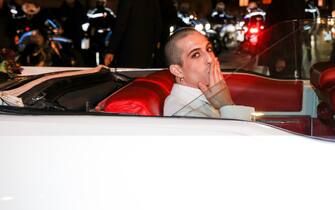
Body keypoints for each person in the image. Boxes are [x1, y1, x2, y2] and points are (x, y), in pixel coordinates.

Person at [163, 28, 254, 120]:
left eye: (209, 49)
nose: (210, 59)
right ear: (177, 71)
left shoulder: (205, 94)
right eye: (196, 55)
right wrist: (226, 103)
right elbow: (239, 133)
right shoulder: (183, 114)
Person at [104, 0, 161, 68]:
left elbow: (121, 24)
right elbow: (158, 23)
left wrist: (111, 50)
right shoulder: (153, 1)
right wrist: (154, 45)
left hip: (128, 50)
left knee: (127, 76)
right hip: (146, 49)